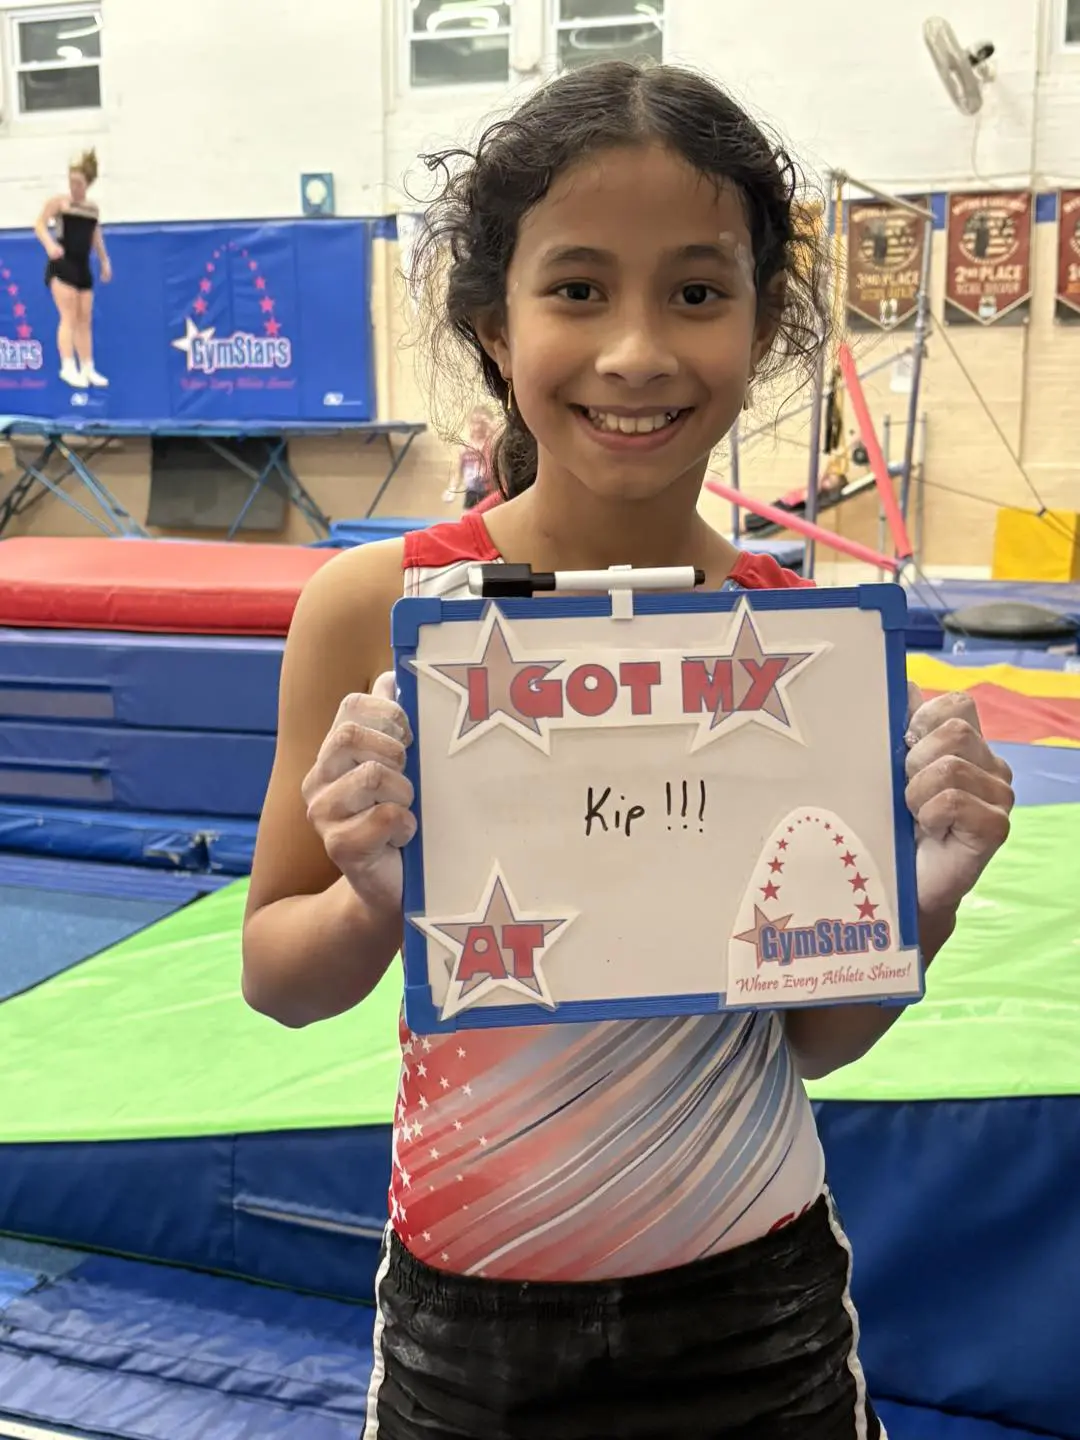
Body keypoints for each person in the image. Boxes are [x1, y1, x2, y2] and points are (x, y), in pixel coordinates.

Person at [242, 61, 1014, 1440]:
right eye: (579, 289)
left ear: (765, 324)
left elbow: (817, 1039)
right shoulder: (378, 613)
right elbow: (278, 985)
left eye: (699, 292)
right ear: (495, 321)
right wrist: (371, 896)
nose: (639, 351)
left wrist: (926, 896)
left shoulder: (801, 644)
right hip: (470, 1313)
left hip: (753, 1309)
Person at [34, 148, 111, 389]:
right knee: (68, 316)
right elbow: (38, 224)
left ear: (88, 183)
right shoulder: (60, 203)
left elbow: (95, 235)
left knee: (84, 319)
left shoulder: (92, 209)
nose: (74, 187)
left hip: (82, 266)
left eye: (78, 183)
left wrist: (104, 260)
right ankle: (68, 366)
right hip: (62, 263)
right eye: (71, 182)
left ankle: (88, 367)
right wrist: (49, 244)